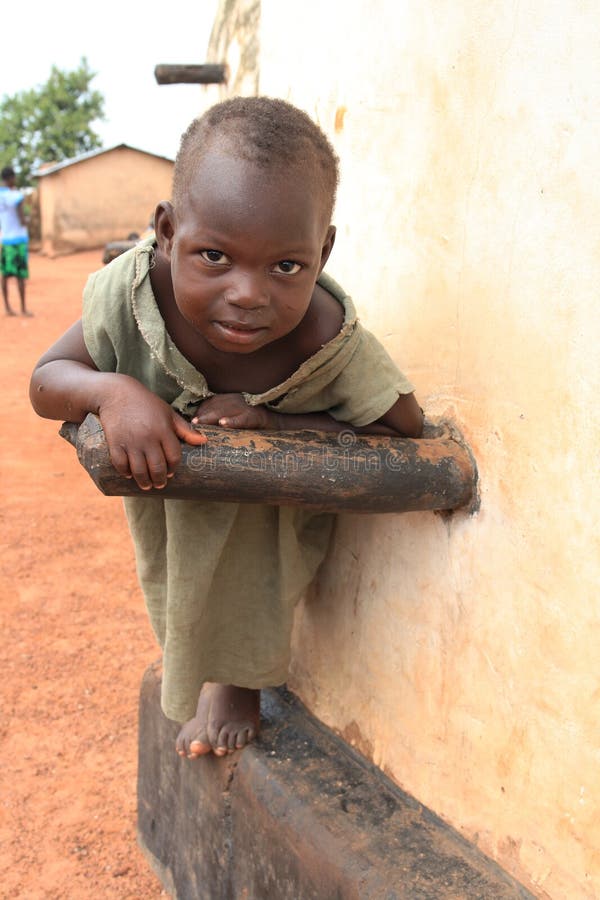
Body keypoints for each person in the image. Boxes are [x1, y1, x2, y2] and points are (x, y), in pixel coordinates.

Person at [29, 96, 423, 760]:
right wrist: (112, 391)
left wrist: (276, 419)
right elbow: (48, 379)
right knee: (180, 587)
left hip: (266, 517)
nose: (248, 293)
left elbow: (402, 424)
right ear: (166, 231)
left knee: (255, 586)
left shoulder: (323, 332)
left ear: (322, 252)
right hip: (174, 504)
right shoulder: (134, 295)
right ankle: (211, 677)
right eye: (214, 255)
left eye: (287, 266)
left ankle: (237, 685)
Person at [0, 165, 31, 316]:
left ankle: (7, 308)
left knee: (4, 275)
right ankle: (23, 309)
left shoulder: (1, 195)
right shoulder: (15, 196)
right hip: (18, 240)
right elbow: (21, 220)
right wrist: (27, 220)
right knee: (20, 275)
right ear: (12, 178)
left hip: (5, 240)